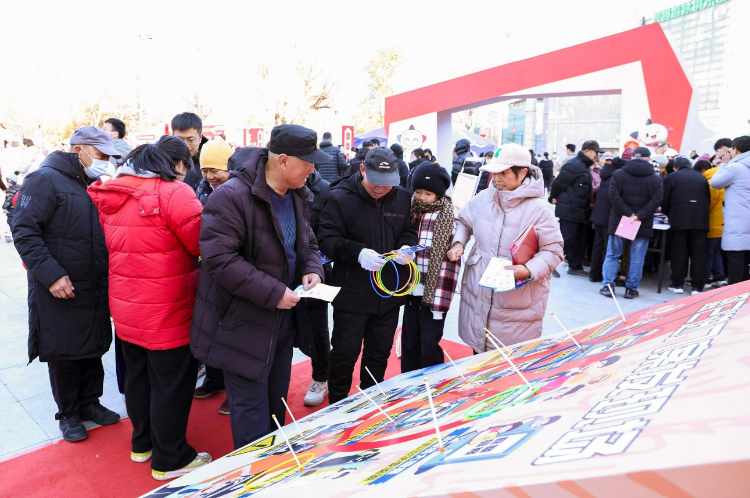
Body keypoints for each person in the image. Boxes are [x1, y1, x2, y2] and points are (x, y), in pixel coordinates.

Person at [191, 124, 327, 449]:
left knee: (276, 404)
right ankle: (254, 473)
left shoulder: (297, 194)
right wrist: (274, 292)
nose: (312, 169)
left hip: (283, 321)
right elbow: (219, 259)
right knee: (251, 415)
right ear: (283, 160)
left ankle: (274, 466)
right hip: (241, 324)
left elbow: (308, 242)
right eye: (307, 162)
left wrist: (312, 269)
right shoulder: (232, 196)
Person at [88, 144, 210, 480]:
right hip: (168, 307)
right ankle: (170, 457)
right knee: (172, 384)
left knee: (138, 378)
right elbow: (201, 244)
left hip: (127, 306)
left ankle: (142, 444)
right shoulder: (174, 193)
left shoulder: (112, 193)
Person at [12, 126, 120, 443]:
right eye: (100, 155)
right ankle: (69, 412)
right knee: (65, 351)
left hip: (91, 282)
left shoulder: (89, 182)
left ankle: (90, 402)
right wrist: (52, 275)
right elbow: (24, 231)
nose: (104, 162)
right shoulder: (44, 179)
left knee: (91, 345)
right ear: (78, 150)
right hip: (59, 284)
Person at [317, 147, 417, 404]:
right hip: (352, 292)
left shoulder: (402, 197)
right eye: (375, 182)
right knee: (344, 352)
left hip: (389, 291)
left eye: (387, 183)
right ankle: (337, 403)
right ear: (362, 170)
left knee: (379, 352)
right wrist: (358, 253)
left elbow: (407, 229)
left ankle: (371, 403)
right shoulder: (340, 197)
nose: (381, 189)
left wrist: (406, 247)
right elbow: (326, 238)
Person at [447, 143, 563, 350]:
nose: (497, 178)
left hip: (516, 302)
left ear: (523, 173)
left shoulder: (540, 210)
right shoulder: (485, 198)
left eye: (504, 173)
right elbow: (464, 221)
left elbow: (553, 251)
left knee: (507, 361)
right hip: (478, 292)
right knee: (477, 356)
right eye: (494, 173)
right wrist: (458, 242)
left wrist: (527, 270)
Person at [401, 163, 460, 372]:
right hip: (412, 286)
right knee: (410, 337)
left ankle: (433, 378)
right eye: (418, 192)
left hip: (435, 289)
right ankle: (408, 378)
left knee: (429, 339)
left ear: (438, 193)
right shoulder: (410, 210)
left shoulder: (448, 215)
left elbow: (451, 259)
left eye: (428, 194)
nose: (422, 198)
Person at [600, 147, 663, 299]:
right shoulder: (655, 178)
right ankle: (631, 289)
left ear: (632, 157)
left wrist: (629, 214)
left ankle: (608, 287)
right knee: (637, 258)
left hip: (620, 220)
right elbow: (656, 200)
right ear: (648, 158)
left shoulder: (618, 174)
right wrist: (638, 216)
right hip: (642, 222)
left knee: (613, 255)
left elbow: (613, 196)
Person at [549, 140, 600, 276]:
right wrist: (553, 197)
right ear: (587, 151)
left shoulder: (584, 166)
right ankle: (548, 263)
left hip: (580, 211)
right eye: (596, 152)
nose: (597, 156)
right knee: (567, 239)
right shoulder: (574, 164)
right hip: (569, 209)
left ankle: (575, 266)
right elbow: (558, 183)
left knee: (579, 240)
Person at [303, 167, 332, 406]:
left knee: (317, 327)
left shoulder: (325, 190)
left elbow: (330, 233)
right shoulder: (275, 188)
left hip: (317, 270)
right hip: (282, 269)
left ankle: (321, 378)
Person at [662, 156, 710, 295]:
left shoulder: (672, 177)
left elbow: (665, 200)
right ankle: (697, 287)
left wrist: (667, 213)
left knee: (679, 253)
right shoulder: (701, 178)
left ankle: (677, 284)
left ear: (675, 168)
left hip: (679, 220)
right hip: (700, 221)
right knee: (699, 254)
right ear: (691, 166)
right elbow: (707, 200)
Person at [709, 136, 750, 284]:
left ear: (736, 150)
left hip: (737, 221)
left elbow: (715, 183)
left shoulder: (735, 167)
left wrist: (723, 165)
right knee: (746, 261)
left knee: (735, 258)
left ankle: (734, 294)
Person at [589, 148, 631, 282]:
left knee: (598, 246)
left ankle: (594, 274)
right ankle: (604, 275)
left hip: (599, 215)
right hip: (609, 217)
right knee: (608, 248)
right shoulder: (617, 176)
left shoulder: (606, 174)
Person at [693, 159, 727, 288]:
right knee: (716, 251)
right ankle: (719, 277)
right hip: (722, 223)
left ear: (703, 172)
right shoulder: (723, 179)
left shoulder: (711, 183)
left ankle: (705, 279)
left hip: (712, 223)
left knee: (707, 252)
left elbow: (708, 204)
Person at [171, 112, 208, 191]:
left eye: (191, 140)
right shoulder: (164, 162)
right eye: (179, 140)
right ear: (172, 136)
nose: (185, 145)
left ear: (200, 138)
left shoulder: (210, 161)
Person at [194, 137, 234, 207]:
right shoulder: (202, 189)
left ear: (229, 169)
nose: (209, 177)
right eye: (204, 171)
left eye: (214, 171)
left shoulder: (240, 193)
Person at [2, 171, 21, 242]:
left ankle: (15, 235)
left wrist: (4, 208)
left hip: (11, 209)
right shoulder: (20, 187)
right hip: (19, 208)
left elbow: (8, 200)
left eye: (7, 182)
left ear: (11, 182)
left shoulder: (10, 190)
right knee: (17, 221)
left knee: (10, 221)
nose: (7, 183)